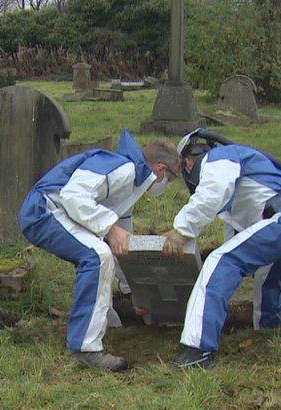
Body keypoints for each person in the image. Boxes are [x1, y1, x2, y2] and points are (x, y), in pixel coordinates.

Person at [161, 137, 281, 368]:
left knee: (220, 261)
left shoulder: (218, 158)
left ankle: (198, 350)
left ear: (189, 161)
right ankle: (267, 326)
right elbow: (237, 239)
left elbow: (211, 195)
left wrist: (182, 230)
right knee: (266, 272)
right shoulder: (245, 174)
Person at [18, 130, 180, 371]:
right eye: (172, 178)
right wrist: (109, 228)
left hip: (58, 210)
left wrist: (133, 290)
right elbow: (72, 196)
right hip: (44, 210)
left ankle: (107, 324)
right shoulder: (122, 169)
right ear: (159, 169)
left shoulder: (131, 187)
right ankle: (86, 348)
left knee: (102, 253)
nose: (168, 184)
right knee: (97, 255)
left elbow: (124, 247)